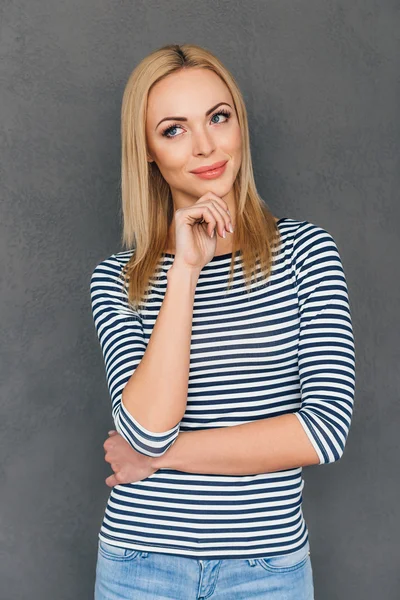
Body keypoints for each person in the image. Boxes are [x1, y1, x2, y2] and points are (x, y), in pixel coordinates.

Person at [90, 43, 356, 600]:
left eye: (218, 117)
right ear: (146, 153)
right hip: (142, 562)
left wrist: (161, 459)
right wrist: (185, 271)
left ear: (239, 124)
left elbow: (325, 431)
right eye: (174, 129)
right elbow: (144, 429)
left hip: (268, 568)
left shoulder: (307, 253)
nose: (207, 146)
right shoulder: (117, 279)